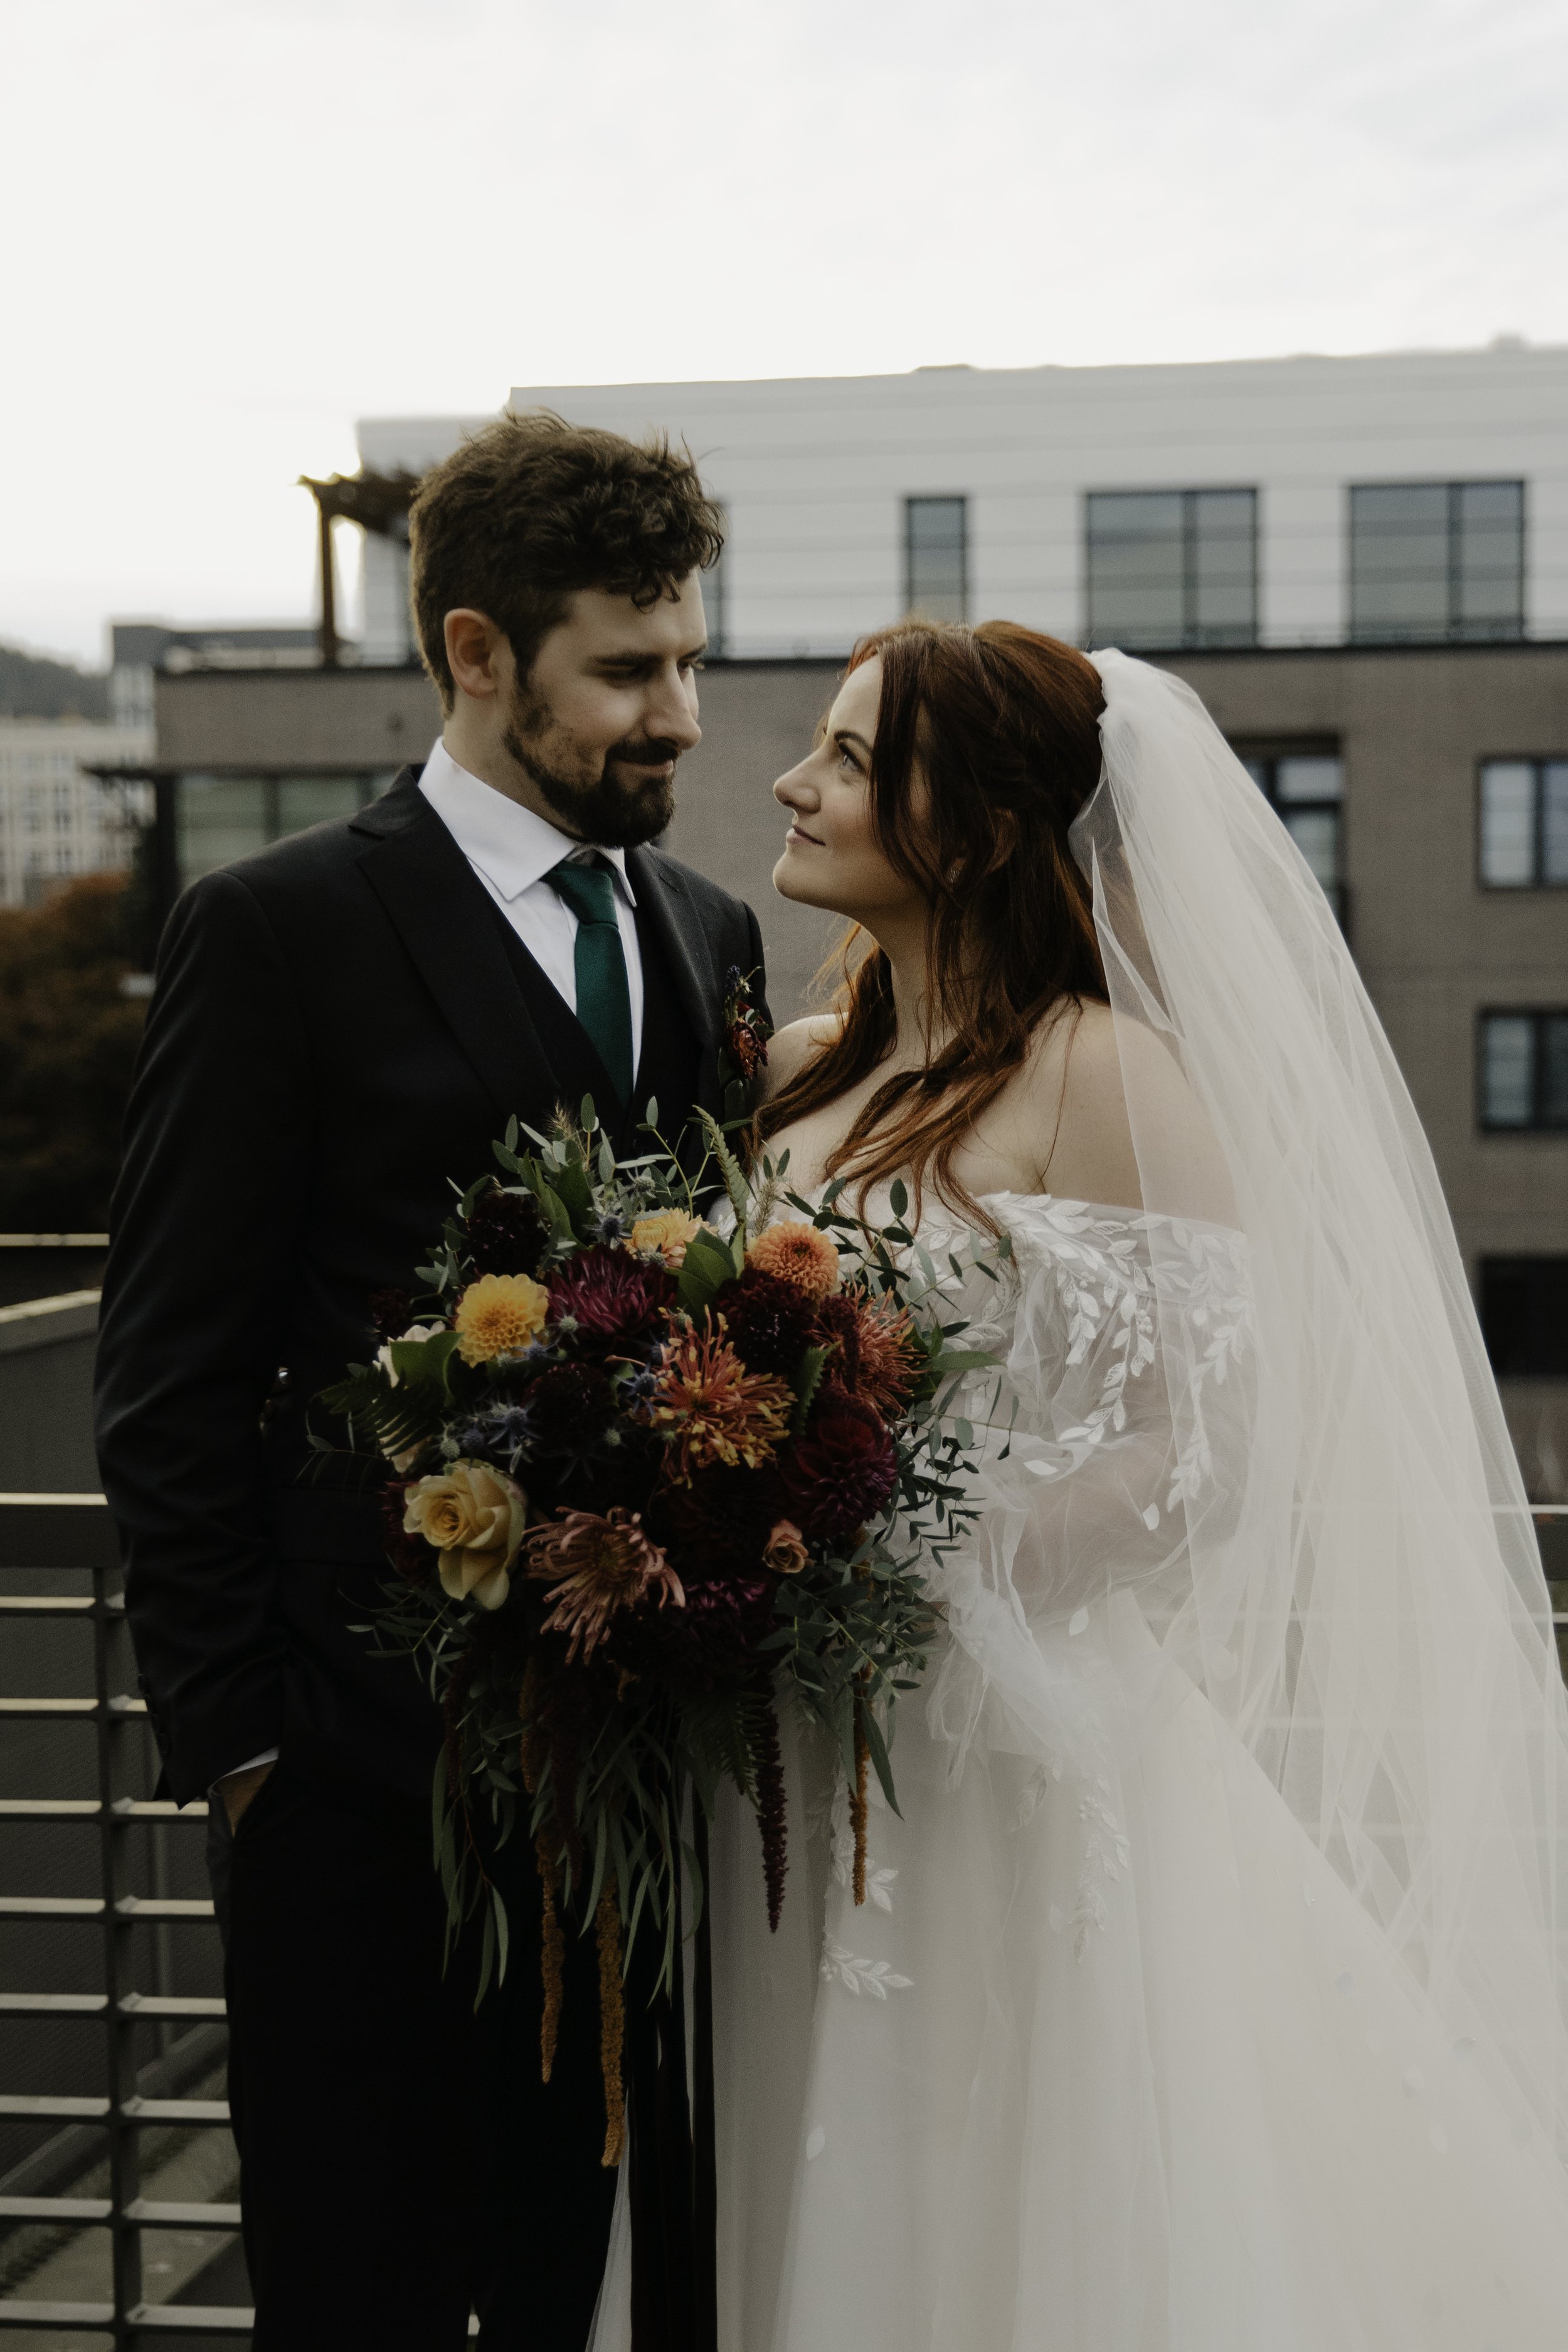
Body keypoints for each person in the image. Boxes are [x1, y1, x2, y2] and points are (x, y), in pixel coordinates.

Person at [591, 620, 1568, 2348]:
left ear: (965, 829)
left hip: (987, 1757)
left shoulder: (1104, 1073)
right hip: (775, 1763)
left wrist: (891, 1552)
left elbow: (1193, 1455)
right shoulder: (803, 1070)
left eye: (841, 755)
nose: (787, 781)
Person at [94, 412, 768, 2350]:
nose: (683, 717)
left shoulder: (704, 931)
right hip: (351, 1799)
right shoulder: (277, 926)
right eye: (629, 671)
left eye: (691, 662)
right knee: (362, 2302)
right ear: (478, 654)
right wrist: (245, 1752)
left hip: (642, 1802)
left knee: (592, 2299)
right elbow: (168, 1365)